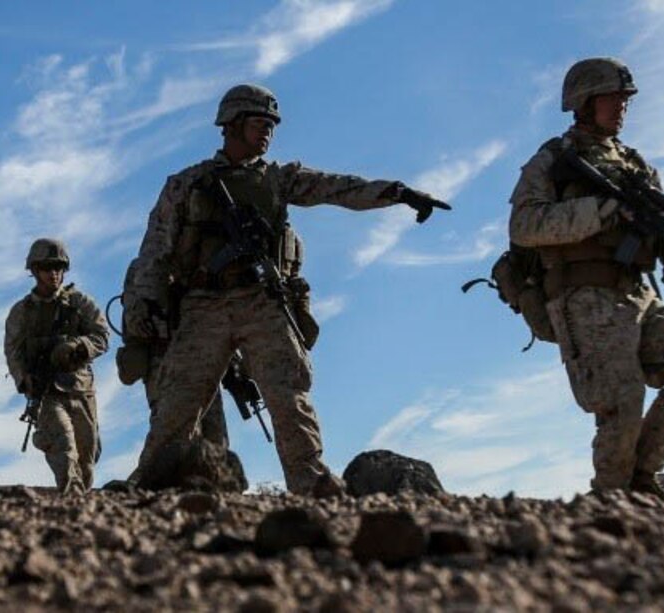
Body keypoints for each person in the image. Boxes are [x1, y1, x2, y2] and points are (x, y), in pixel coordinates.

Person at [127, 83, 451, 496]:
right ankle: (149, 485)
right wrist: (146, 303)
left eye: (271, 126)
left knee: (289, 394)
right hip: (203, 305)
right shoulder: (187, 184)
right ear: (232, 124)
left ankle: (311, 484)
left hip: (262, 302)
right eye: (259, 124)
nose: (267, 133)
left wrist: (397, 193)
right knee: (178, 404)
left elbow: (339, 188)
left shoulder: (280, 179)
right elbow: (155, 249)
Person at [508, 58, 664, 499]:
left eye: (625, 99)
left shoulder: (635, 164)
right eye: (612, 97)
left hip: (638, 290)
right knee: (620, 401)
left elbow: (658, 228)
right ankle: (612, 499)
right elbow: (524, 226)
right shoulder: (554, 160)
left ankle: (642, 476)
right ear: (584, 102)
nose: (622, 106)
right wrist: (603, 211)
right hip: (584, 294)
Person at [4, 238, 109, 494]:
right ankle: (72, 501)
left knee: (87, 458)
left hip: (81, 389)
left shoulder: (79, 303)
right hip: (47, 393)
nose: (54, 273)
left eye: (58, 268)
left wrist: (77, 347)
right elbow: (13, 351)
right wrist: (24, 379)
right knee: (64, 450)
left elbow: (102, 336)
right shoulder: (22, 312)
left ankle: (81, 511)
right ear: (34, 270)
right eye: (47, 267)